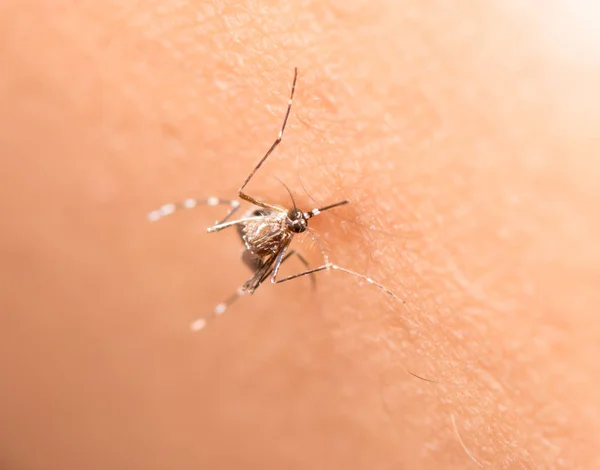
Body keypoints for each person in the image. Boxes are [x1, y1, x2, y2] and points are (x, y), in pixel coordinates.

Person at [1, 1, 598, 468]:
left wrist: (280, 206)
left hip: (259, 229)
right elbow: (265, 252)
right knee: (250, 252)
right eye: (297, 224)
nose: (300, 219)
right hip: (262, 240)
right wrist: (303, 259)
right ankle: (274, 276)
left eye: (297, 223)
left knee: (237, 203)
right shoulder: (280, 236)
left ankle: (261, 234)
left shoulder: (268, 213)